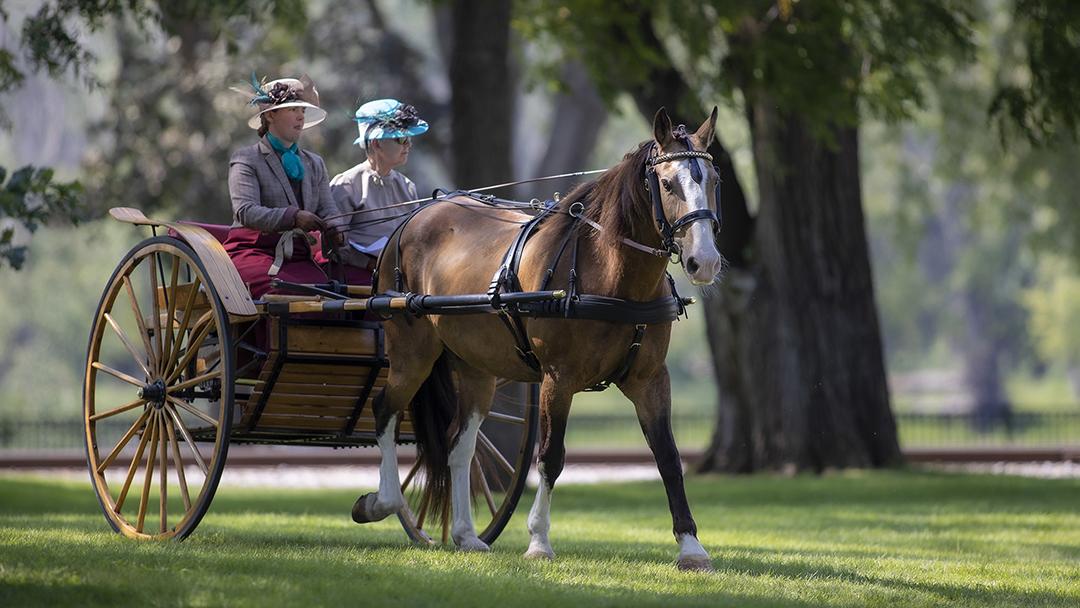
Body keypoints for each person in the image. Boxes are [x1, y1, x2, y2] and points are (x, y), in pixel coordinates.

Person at [223, 73, 344, 298]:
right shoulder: (246, 159)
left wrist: (336, 228)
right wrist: (293, 217)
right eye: (293, 109)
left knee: (330, 299)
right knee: (286, 298)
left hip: (299, 257)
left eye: (303, 111)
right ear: (270, 115)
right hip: (253, 253)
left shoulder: (314, 162)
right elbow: (245, 211)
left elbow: (328, 209)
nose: (300, 117)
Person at [320, 98, 429, 284]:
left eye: (408, 138)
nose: (408, 145)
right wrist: (369, 263)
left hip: (399, 274)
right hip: (358, 278)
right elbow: (332, 248)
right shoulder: (346, 184)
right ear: (377, 144)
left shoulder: (407, 186)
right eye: (401, 139)